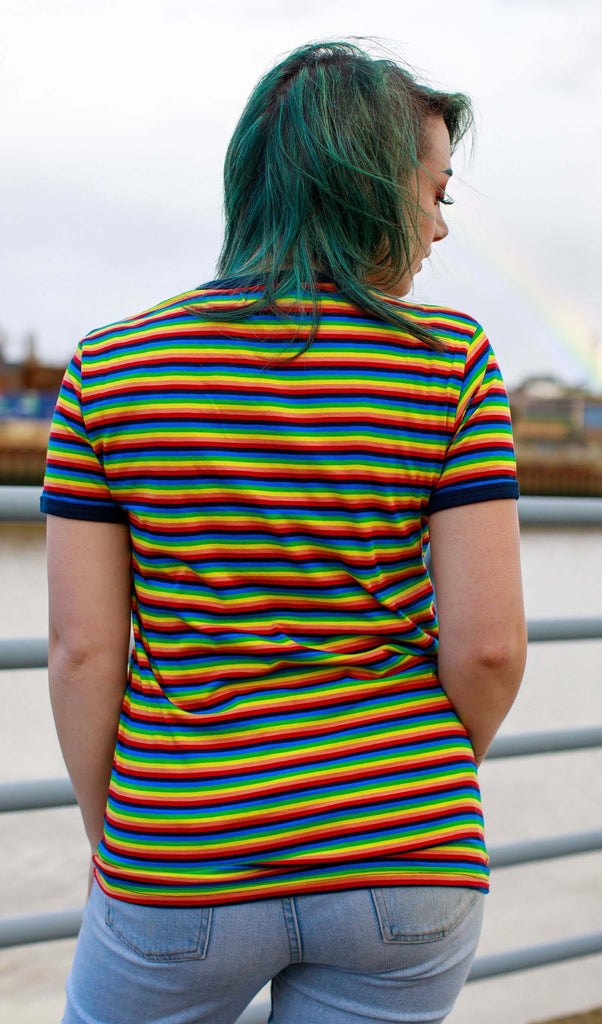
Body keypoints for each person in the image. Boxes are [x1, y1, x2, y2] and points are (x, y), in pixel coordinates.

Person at [42, 39, 527, 1024]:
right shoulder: (451, 366)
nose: (437, 226)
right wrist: (403, 782)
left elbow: (83, 651)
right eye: (432, 191)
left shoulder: (112, 368)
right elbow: (486, 650)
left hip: (183, 852)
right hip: (404, 860)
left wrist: (128, 837)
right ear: (360, 184)